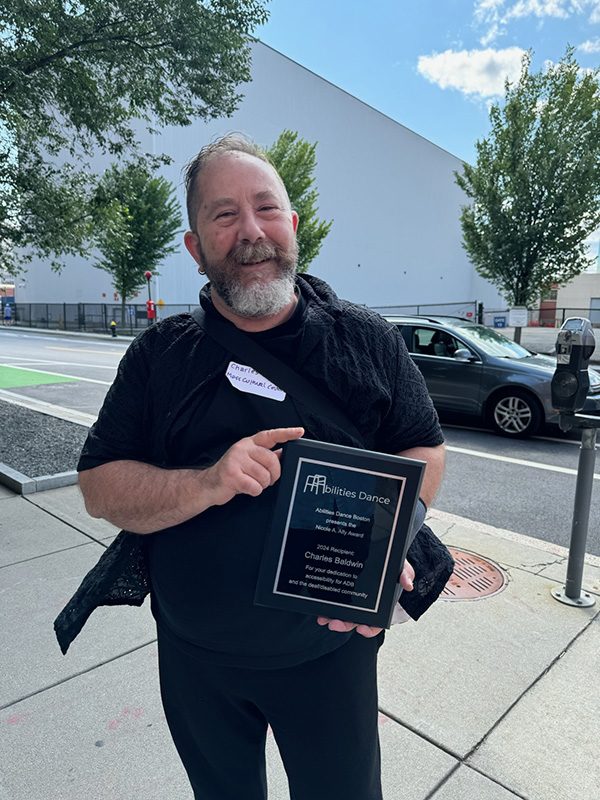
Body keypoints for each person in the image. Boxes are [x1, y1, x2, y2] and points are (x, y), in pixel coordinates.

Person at [76, 134, 446, 800]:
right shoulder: (159, 357)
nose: (250, 232)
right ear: (194, 246)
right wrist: (208, 481)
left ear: (293, 225)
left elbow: (424, 447)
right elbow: (98, 486)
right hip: (197, 660)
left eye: (266, 209)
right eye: (223, 215)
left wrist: (390, 541)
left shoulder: (366, 338)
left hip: (330, 654)